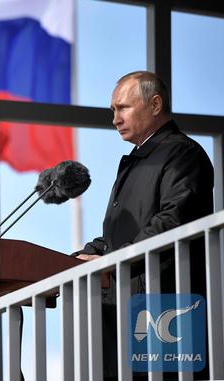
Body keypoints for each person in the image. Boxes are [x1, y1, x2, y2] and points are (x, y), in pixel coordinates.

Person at [73, 71, 214, 380]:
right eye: (113, 111)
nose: (115, 119)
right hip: (124, 306)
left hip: (165, 309)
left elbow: (173, 221)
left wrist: (111, 261)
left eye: (122, 108)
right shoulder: (137, 160)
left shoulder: (182, 154)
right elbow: (115, 237)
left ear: (154, 104)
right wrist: (79, 259)